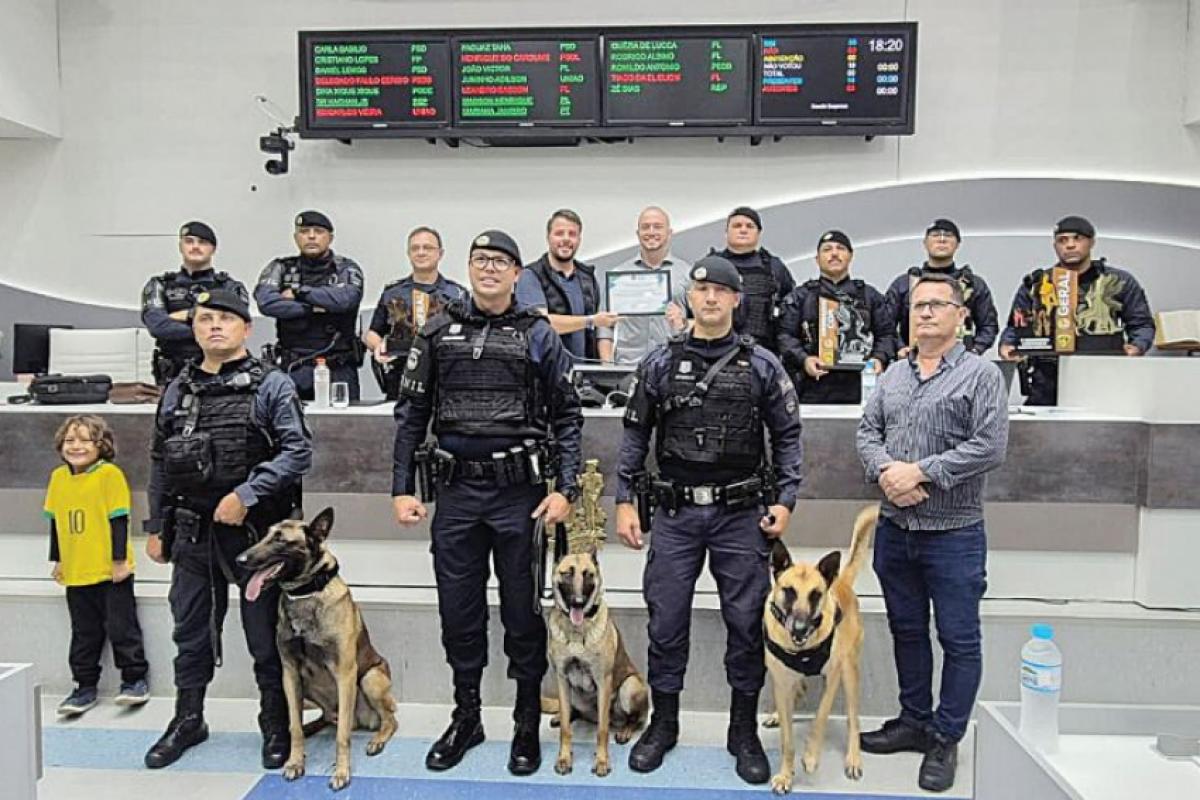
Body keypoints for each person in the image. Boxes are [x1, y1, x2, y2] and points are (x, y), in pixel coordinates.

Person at [392, 230, 583, 776]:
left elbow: (568, 416)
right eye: (480, 260)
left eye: (500, 261)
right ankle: (467, 717)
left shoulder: (538, 334)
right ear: (469, 267)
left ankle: (525, 722)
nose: (489, 269)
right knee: (459, 611)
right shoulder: (437, 330)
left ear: (517, 273)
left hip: (520, 497)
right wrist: (402, 487)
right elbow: (411, 414)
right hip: (455, 496)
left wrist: (565, 489)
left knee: (523, 613)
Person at [614, 254, 803, 785]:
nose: (711, 298)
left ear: (736, 300)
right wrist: (624, 499)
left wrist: (786, 498)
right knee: (666, 620)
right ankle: (664, 724)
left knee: (745, 623)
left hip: (740, 515)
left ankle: (742, 731)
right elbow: (635, 434)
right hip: (675, 514)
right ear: (690, 298)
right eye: (702, 290)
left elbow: (788, 436)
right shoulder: (659, 362)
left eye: (721, 290)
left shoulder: (762, 364)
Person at [142, 288, 312, 770]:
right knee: (190, 631)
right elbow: (159, 460)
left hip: (257, 536)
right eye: (204, 319)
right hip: (192, 533)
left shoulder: (271, 385)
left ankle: (275, 723)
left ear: (246, 328)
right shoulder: (178, 388)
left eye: (225, 318)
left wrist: (247, 494)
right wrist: (155, 526)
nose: (214, 326)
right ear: (194, 328)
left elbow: (298, 452)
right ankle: (188, 719)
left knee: (265, 637)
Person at [856, 273, 1009, 793]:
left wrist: (920, 472)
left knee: (959, 639)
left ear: (960, 315)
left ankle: (946, 736)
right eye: (918, 305)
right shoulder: (893, 376)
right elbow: (867, 432)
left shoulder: (981, 375)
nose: (924, 313)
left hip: (954, 534)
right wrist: (886, 474)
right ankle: (914, 721)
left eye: (937, 304)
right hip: (895, 529)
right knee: (906, 630)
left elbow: (989, 446)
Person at [46, 414, 149, 716]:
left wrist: (119, 562)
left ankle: (134, 679)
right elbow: (56, 524)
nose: (76, 446)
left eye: (85, 440)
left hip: (110, 572)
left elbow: (119, 520)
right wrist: (59, 561)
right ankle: (84, 685)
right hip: (77, 572)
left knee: (121, 628)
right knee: (84, 633)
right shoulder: (58, 478)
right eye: (69, 440)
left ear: (100, 445)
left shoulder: (109, 475)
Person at [999, 216, 1155, 405]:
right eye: (1062, 240)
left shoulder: (1118, 281)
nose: (1070, 245)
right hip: (1047, 376)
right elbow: (1016, 324)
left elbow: (1142, 324)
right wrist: (1007, 345)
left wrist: (1137, 346)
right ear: (1055, 246)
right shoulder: (1037, 284)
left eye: (1077, 238)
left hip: (1104, 373)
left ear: (1091, 242)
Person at [255, 210, 366, 401]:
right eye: (305, 231)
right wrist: (315, 307)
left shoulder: (345, 268)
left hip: (337, 369)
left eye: (318, 231)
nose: (311, 236)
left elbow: (346, 300)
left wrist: (299, 293)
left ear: (330, 238)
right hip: (292, 368)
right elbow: (267, 303)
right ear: (296, 237)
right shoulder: (280, 267)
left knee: (343, 420)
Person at [778, 230, 895, 404]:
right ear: (817, 259)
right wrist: (804, 359)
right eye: (827, 249)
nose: (834, 253)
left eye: (840, 248)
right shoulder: (800, 297)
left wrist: (879, 358)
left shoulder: (870, 296)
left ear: (850, 256)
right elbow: (785, 336)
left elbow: (887, 334)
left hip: (862, 386)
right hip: (812, 385)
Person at [363, 226, 469, 399]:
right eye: (415, 248)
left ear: (440, 254)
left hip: (444, 380)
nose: (421, 252)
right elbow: (372, 333)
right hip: (400, 378)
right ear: (408, 253)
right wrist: (378, 346)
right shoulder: (392, 292)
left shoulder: (457, 295)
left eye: (427, 248)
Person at [141, 221, 249, 386]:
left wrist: (189, 315)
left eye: (203, 242)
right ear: (180, 246)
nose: (195, 247)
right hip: (173, 376)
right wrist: (210, 326)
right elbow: (158, 327)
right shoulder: (159, 285)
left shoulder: (230, 287)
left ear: (213, 249)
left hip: (220, 375)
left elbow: (233, 329)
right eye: (189, 241)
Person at [884, 219, 999, 358]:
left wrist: (974, 351)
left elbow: (988, 326)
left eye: (948, 235)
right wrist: (900, 348)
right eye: (936, 235)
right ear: (925, 242)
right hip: (913, 359)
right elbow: (885, 324)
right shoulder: (904, 284)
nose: (942, 239)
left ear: (958, 244)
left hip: (960, 362)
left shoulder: (974, 285)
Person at [516, 209, 619, 361]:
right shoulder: (530, 276)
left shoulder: (588, 277)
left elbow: (602, 325)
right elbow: (539, 325)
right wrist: (590, 321)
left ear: (579, 239)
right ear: (548, 237)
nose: (566, 239)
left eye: (572, 234)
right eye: (559, 233)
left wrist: (607, 365)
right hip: (545, 371)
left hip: (586, 372)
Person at [606, 206, 692, 365]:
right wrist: (607, 365)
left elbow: (702, 323)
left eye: (658, 227)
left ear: (669, 233)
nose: (651, 232)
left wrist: (683, 323)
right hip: (628, 365)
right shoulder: (619, 275)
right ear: (638, 233)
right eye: (645, 227)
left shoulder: (687, 274)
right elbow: (605, 327)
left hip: (672, 364)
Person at [710, 206, 795, 355]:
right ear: (726, 232)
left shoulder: (774, 267)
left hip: (763, 352)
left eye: (749, 226)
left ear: (758, 233)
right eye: (737, 226)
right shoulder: (712, 264)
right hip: (716, 349)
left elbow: (790, 311)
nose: (743, 230)